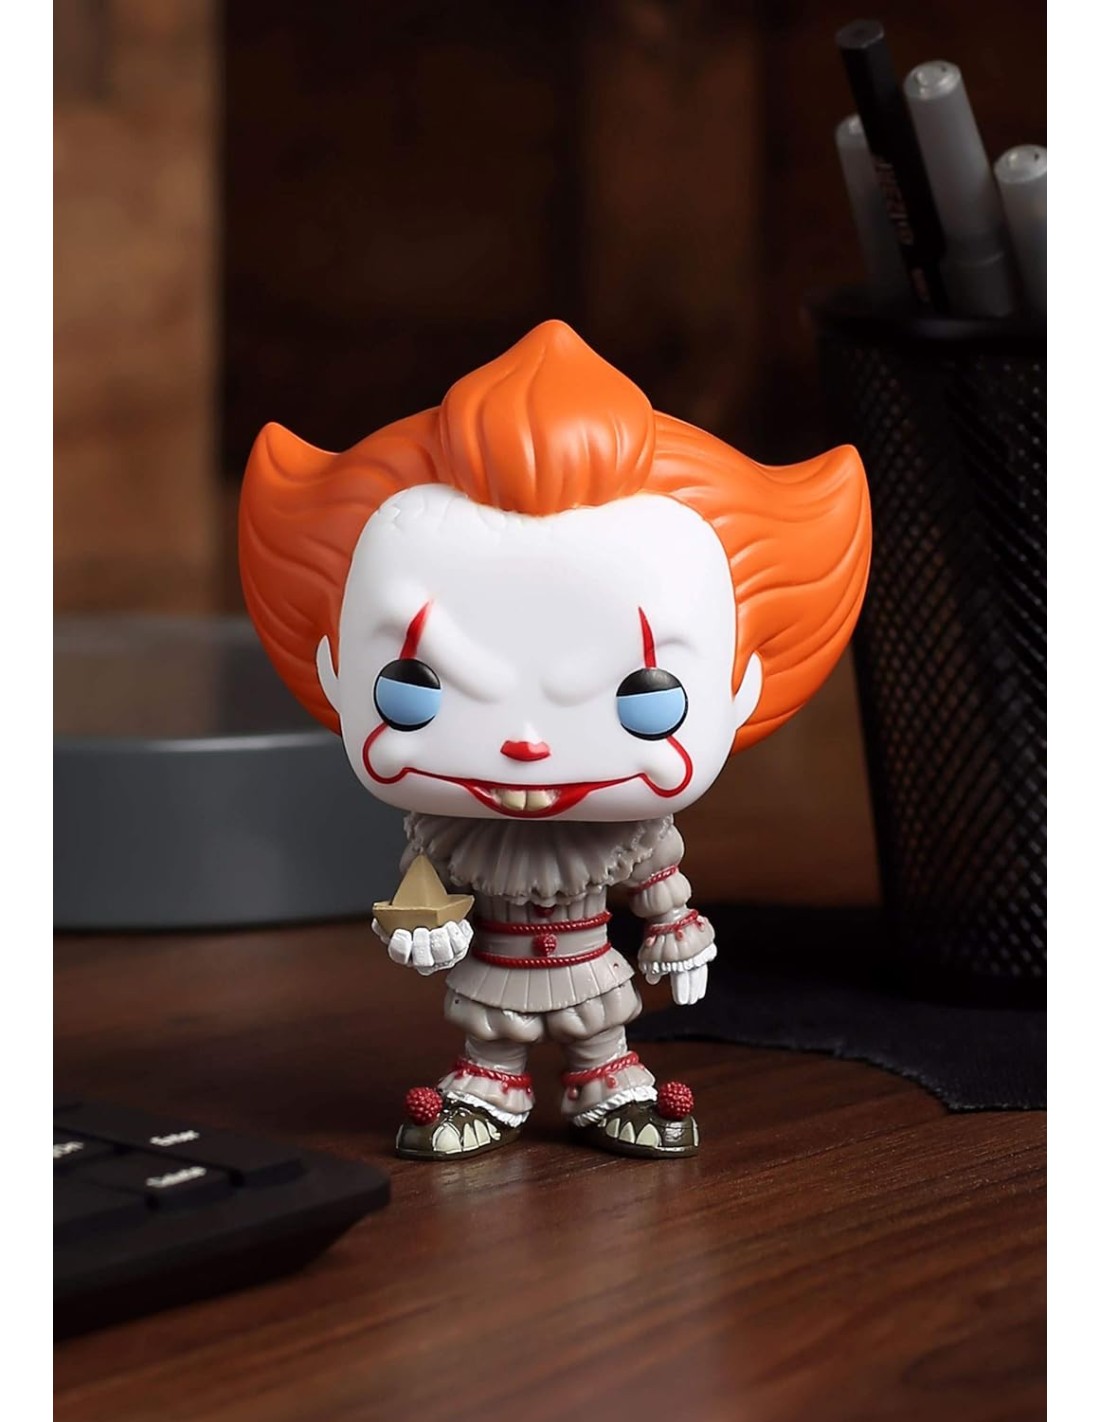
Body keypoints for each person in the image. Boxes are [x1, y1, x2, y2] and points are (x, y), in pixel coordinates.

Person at [240, 321, 871, 1160]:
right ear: (333, 666)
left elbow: (659, 886)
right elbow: (422, 897)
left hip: (591, 967)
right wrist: (417, 932)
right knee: (490, 1040)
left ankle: (607, 1085)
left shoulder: (633, 834)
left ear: (742, 684)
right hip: (496, 971)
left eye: (646, 701)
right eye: (415, 690)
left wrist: (678, 933)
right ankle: (489, 1088)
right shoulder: (445, 835)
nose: (527, 745)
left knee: (602, 1035)